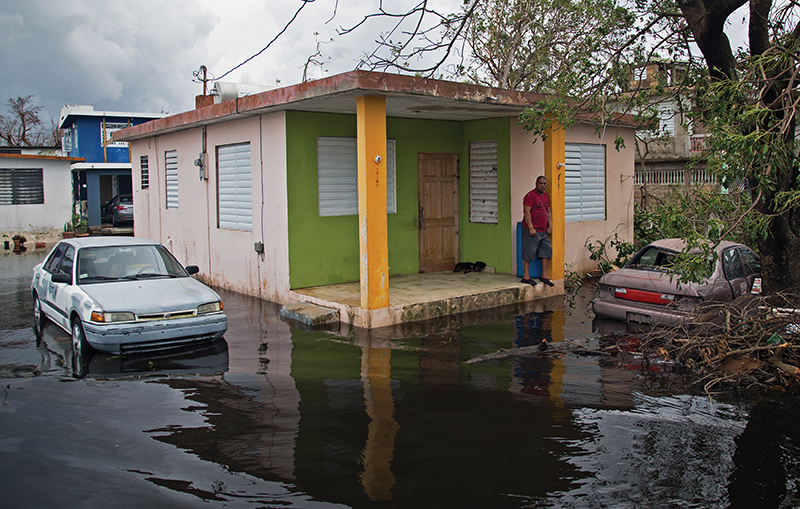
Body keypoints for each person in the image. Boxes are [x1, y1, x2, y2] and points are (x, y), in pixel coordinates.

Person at [521, 175, 554, 286]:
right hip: (531, 230)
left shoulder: (545, 197)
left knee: (547, 250)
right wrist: (531, 228)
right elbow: (527, 212)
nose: (542, 186)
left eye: (544, 184)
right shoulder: (530, 196)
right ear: (536, 183)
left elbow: (548, 212)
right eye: (540, 183)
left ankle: (544, 276)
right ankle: (526, 276)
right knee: (528, 252)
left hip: (542, 231)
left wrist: (550, 226)